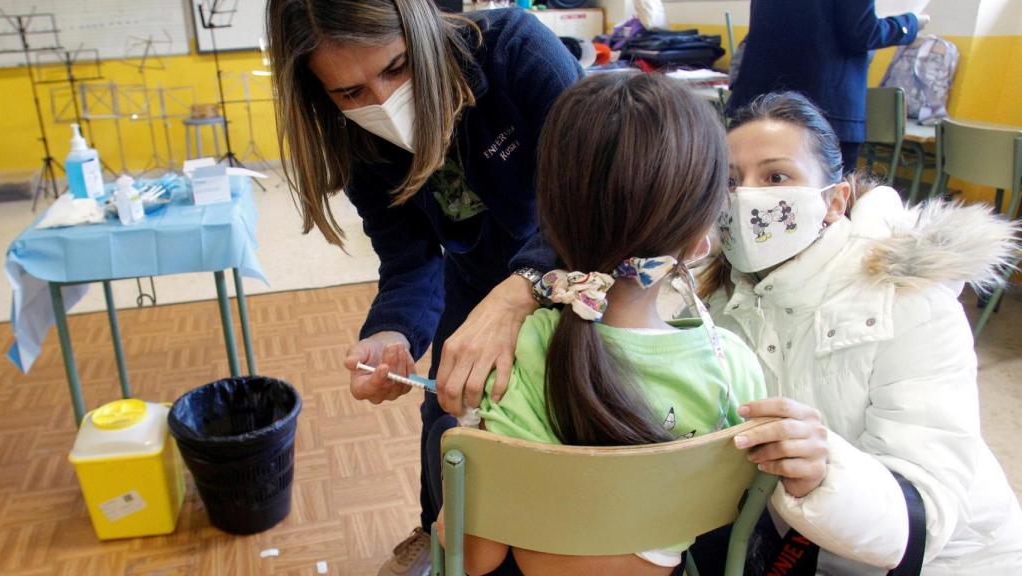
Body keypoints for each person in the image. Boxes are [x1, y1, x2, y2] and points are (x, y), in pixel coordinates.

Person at [265, 2, 581, 574]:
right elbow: (410, 262)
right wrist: (391, 331)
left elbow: (592, 197)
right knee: (445, 410)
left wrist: (519, 293)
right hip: (476, 274)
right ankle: (441, 530)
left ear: (420, 31)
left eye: (396, 67)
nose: (382, 102)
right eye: (349, 93)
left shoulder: (515, 50)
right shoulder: (358, 144)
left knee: (554, 415)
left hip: (576, 267)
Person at [432, 72, 768, 576]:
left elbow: (477, 559)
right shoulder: (734, 373)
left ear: (551, 221)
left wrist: (446, 516)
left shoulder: (517, 358)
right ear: (700, 240)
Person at [690, 91, 1022, 574]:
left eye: (776, 176)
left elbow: (925, 515)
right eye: (732, 181)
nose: (747, 199)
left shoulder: (908, 300)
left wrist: (825, 472)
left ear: (835, 200)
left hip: (948, 559)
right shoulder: (718, 300)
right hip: (811, 551)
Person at [728, 0, 929, 170]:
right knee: (825, 201)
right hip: (825, 101)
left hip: (761, 94)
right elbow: (861, 32)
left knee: (750, 190)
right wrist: (910, 23)